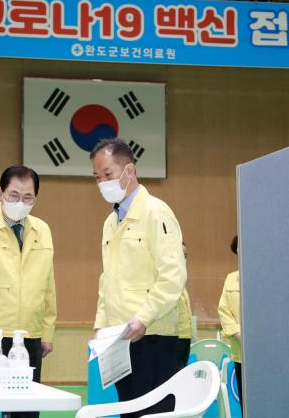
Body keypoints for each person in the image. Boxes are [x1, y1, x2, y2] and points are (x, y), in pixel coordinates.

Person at [90, 138, 187, 418]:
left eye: (107, 174)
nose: (102, 183)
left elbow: (173, 275)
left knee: (154, 413)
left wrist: (143, 318)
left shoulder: (156, 212)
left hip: (152, 336)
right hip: (119, 339)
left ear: (129, 171)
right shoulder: (111, 222)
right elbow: (108, 279)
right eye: (97, 177)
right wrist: (101, 325)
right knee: (129, 413)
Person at [0, 165, 57, 418]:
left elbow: (48, 285)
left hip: (28, 334)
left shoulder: (42, 229)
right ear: (0, 193)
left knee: (25, 410)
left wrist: (47, 331)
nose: (20, 203)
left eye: (28, 197)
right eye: (14, 195)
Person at [218, 235, 242, 403]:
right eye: (239, 247)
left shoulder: (266, 277)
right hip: (240, 351)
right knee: (245, 401)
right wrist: (238, 333)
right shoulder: (231, 278)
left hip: (265, 351)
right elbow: (223, 310)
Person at [176, 242, 193, 369]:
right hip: (173, 336)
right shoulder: (164, 280)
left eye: (186, 256)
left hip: (185, 336)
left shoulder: (181, 280)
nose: (184, 259)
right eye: (181, 255)